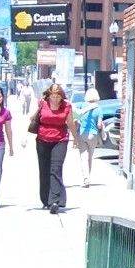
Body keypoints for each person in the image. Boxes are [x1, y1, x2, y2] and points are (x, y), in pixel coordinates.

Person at [24, 81, 78, 213]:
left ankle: (54, 200)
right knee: (44, 170)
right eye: (53, 95)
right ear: (48, 95)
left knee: (55, 169)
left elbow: (70, 123)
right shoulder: (42, 103)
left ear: (61, 96)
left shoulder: (67, 106)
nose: (55, 98)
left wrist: (76, 138)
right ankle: (45, 199)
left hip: (60, 140)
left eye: (58, 95)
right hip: (42, 140)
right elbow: (32, 118)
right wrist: (25, 137)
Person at [76, 87, 106, 187]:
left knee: (83, 156)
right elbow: (99, 125)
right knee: (90, 157)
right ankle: (88, 177)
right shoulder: (99, 109)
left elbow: (77, 120)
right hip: (93, 135)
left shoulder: (82, 106)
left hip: (82, 133)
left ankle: (86, 178)